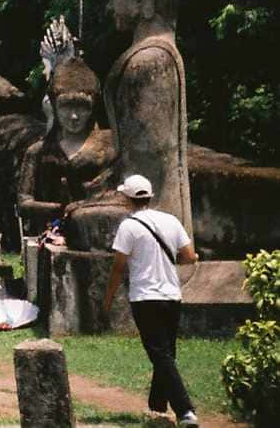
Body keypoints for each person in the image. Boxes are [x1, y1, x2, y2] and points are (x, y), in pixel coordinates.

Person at [101, 173, 200, 426]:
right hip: (172, 295)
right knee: (166, 352)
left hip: (145, 297)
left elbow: (118, 267)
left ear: (127, 199)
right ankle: (157, 406)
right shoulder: (170, 220)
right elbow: (188, 256)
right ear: (150, 196)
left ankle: (185, 411)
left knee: (160, 354)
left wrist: (108, 299)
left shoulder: (129, 226)